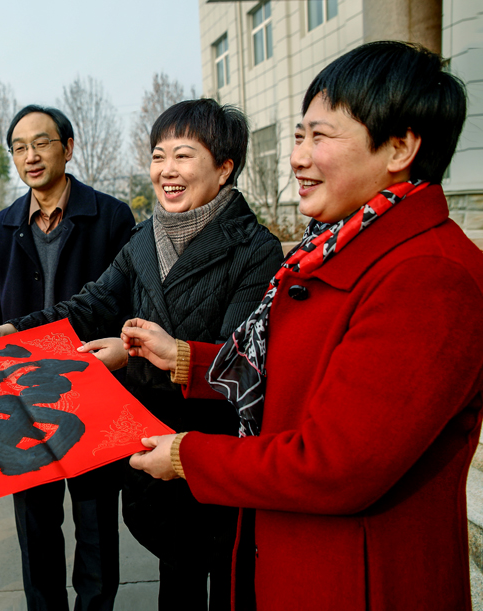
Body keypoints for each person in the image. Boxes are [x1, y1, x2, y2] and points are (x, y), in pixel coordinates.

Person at [124, 41, 483, 611]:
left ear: (400, 147)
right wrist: (187, 359)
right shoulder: (336, 246)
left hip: (357, 579)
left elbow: (335, 465)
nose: (297, 158)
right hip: (296, 555)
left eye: (321, 137)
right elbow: (294, 370)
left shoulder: (430, 276)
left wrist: (187, 456)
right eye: (298, 136)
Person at [0, 98, 282, 610]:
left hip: (215, 458)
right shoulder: (143, 240)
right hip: (158, 453)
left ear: (225, 168)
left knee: (229, 587)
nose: (167, 171)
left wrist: (130, 357)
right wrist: (10, 329)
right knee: (175, 586)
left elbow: (239, 367)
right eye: (159, 156)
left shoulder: (258, 250)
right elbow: (92, 304)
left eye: (184, 156)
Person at [0, 104, 136, 611]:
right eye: (19, 148)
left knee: (95, 525)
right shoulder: (1, 227)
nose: (31, 156)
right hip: (24, 396)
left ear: (68, 146)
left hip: (90, 389)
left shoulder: (109, 216)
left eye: (41, 143)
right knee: (36, 525)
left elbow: (124, 300)